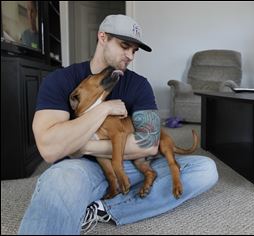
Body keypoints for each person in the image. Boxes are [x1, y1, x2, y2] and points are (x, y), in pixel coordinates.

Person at [18, 14, 218, 235]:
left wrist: (82, 146)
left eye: (134, 50)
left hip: (133, 165)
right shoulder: (61, 80)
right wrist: (103, 108)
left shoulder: (138, 84)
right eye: (124, 46)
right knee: (59, 181)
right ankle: (98, 198)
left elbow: (149, 144)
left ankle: (102, 208)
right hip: (82, 170)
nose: (130, 55)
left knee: (204, 169)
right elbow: (48, 148)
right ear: (102, 37)